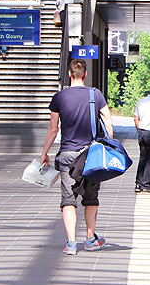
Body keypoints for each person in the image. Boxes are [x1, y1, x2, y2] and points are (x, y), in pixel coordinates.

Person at [39, 59, 114, 255]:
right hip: (91, 156)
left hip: (67, 156)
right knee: (91, 198)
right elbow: (108, 121)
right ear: (85, 74)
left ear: (70, 74)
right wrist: (109, 147)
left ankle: (71, 243)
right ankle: (90, 239)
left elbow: (54, 128)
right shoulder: (95, 95)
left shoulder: (59, 97)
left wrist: (45, 152)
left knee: (68, 199)